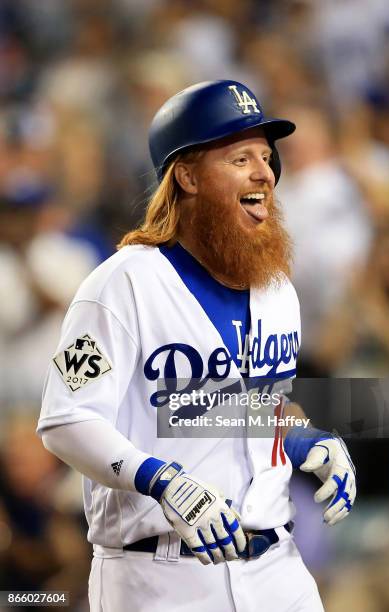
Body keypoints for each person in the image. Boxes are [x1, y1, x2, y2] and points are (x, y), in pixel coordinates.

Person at [37, 80, 356, 612]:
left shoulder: (276, 287)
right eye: (239, 157)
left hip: (279, 568)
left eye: (265, 155)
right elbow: (65, 420)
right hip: (156, 573)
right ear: (186, 175)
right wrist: (162, 481)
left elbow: (249, 412)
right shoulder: (121, 283)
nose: (264, 173)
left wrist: (309, 441)